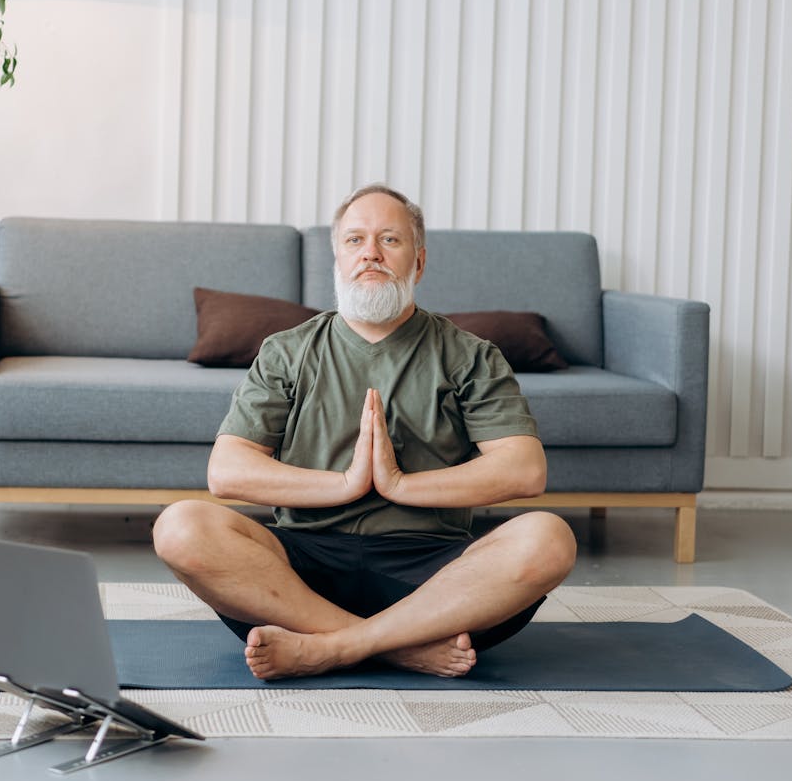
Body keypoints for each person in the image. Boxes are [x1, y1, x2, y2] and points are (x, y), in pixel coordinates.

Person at [153, 183, 577, 680]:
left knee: (549, 538)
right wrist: (345, 485)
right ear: (337, 258)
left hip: (433, 576)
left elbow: (525, 469)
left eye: (389, 240)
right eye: (355, 240)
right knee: (180, 527)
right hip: (300, 573)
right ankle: (398, 647)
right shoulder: (286, 352)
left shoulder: (471, 355)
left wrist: (400, 485)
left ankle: (331, 648)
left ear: (418, 262)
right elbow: (226, 472)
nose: (370, 253)